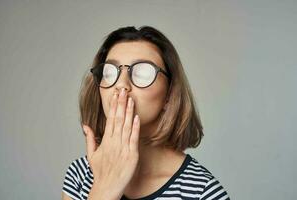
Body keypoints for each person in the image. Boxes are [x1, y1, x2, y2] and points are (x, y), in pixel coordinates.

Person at [61, 26, 230, 200]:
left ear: (170, 95)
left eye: (142, 73)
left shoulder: (203, 192)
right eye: (110, 72)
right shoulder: (79, 176)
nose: (121, 85)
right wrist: (104, 188)